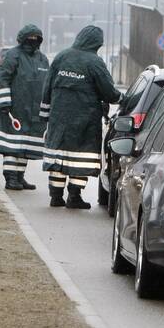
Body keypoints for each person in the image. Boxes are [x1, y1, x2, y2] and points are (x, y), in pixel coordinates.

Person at [40, 24, 121, 209]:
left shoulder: (61, 57)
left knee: (57, 157)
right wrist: (121, 98)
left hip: (58, 118)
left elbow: (48, 86)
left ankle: (55, 196)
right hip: (85, 120)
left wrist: (45, 114)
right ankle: (74, 197)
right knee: (81, 157)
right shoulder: (94, 62)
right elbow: (108, 91)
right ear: (97, 43)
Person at [0, 24, 49, 190]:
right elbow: (2, 78)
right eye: (29, 38)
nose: (32, 41)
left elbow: (47, 83)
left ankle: (19, 176)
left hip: (34, 110)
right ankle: (10, 178)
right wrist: (5, 102)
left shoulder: (42, 59)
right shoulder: (12, 55)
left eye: (35, 38)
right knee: (12, 145)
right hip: (14, 108)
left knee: (26, 144)